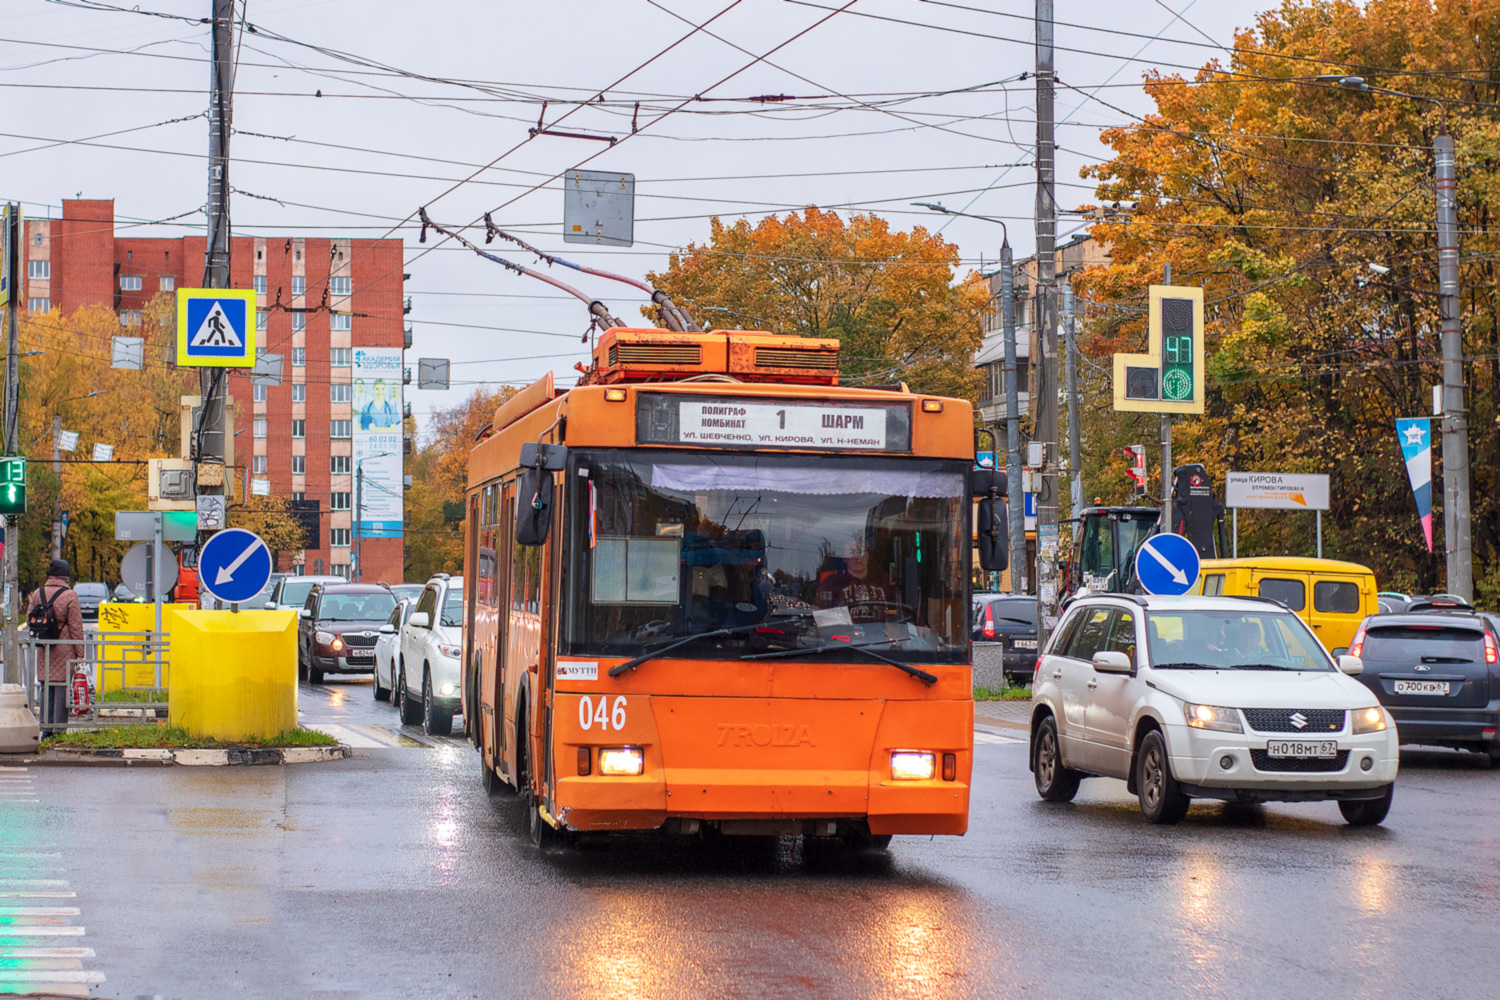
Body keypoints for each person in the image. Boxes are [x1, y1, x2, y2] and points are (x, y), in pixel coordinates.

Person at [27, 559, 85, 735]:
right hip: (64, 648)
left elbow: (29, 619)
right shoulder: (70, 595)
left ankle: (45, 729)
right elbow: (76, 627)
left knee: (46, 688)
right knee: (61, 688)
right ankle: (59, 731)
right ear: (66, 575)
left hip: (44, 647)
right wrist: (80, 654)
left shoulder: (38, 593)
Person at [816, 533, 899, 623]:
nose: (858, 557)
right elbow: (821, 615)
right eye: (852, 552)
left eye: (862, 552)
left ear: (868, 555)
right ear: (844, 558)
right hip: (844, 635)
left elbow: (897, 612)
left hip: (880, 635)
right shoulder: (831, 583)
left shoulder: (884, 580)